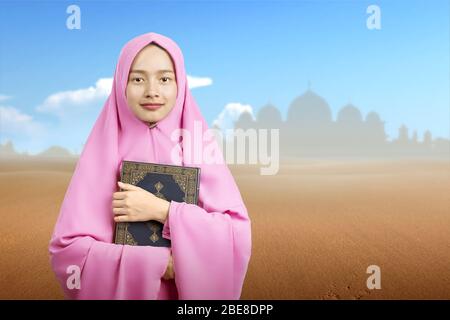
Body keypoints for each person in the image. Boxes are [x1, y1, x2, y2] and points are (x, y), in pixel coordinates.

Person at [48, 32, 252, 300]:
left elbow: (236, 234)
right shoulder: (101, 152)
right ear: (121, 83)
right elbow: (68, 254)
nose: (151, 91)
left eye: (165, 78)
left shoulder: (199, 146)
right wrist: (156, 264)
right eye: (137, 79)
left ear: (181, 85)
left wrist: (163, 211)